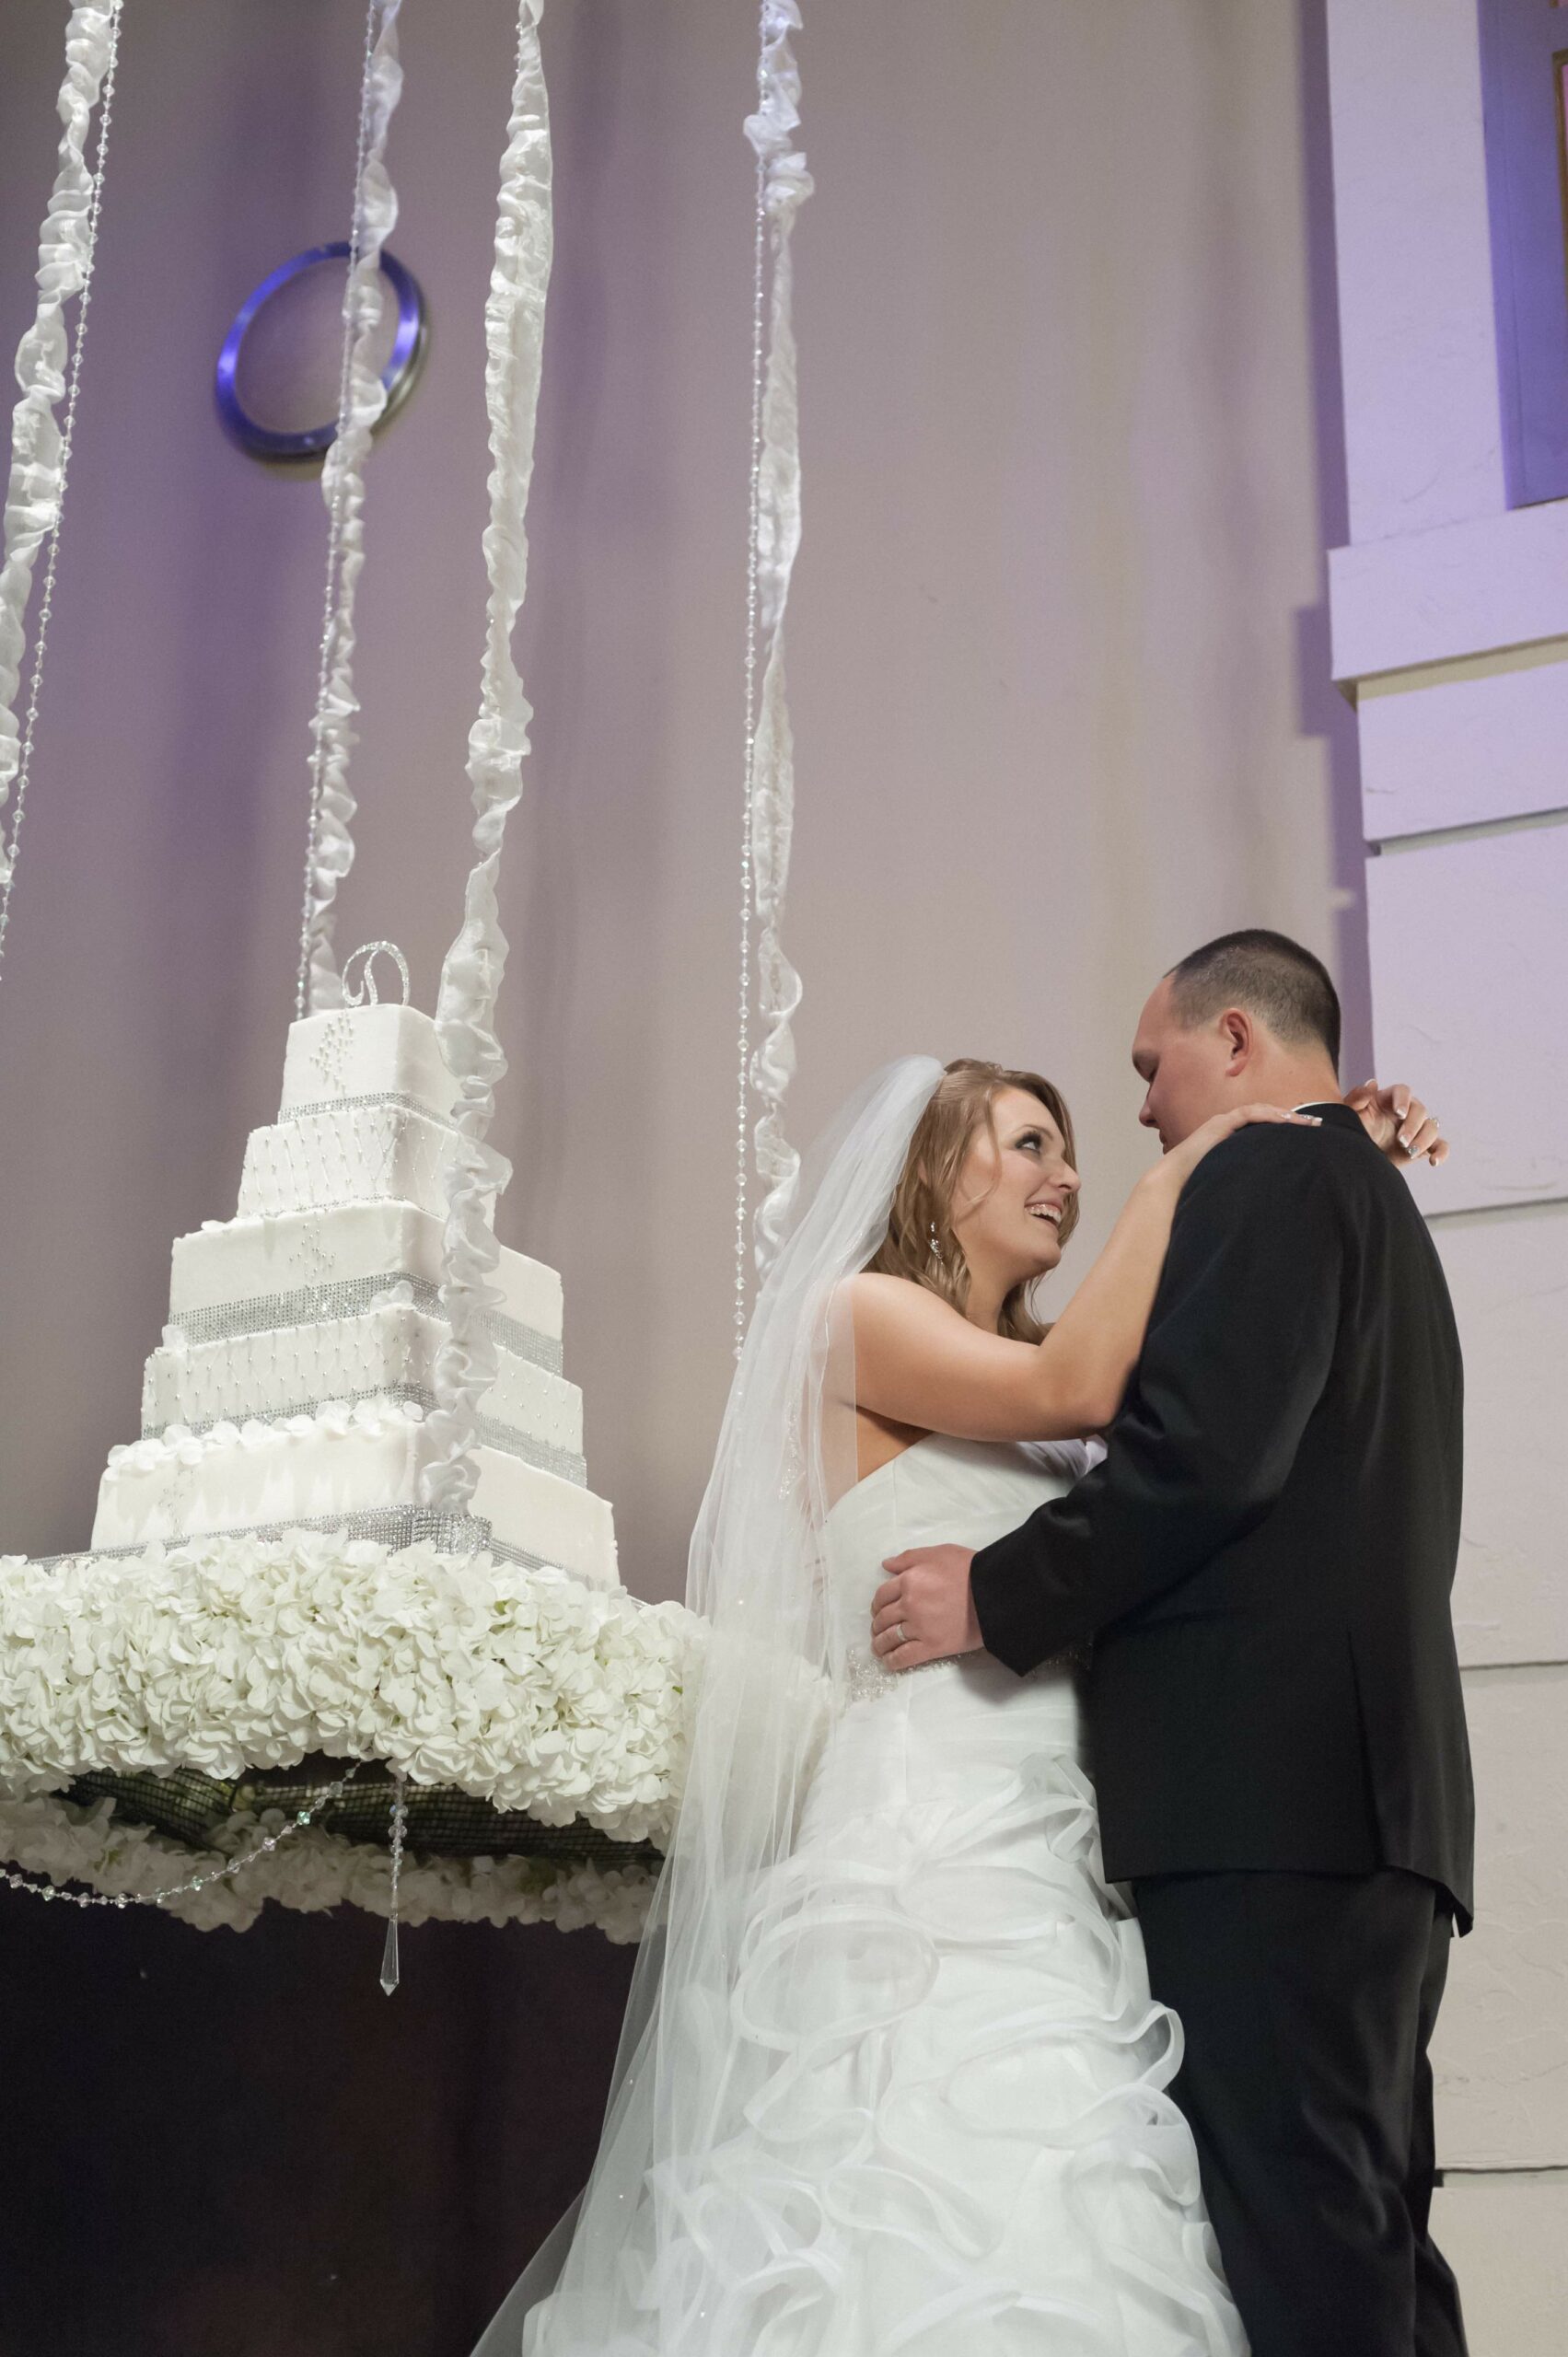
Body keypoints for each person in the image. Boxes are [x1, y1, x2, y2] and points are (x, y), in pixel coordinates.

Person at [474, 1005, 1438, 2357]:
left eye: (1084, 1153)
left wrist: (1339, 1170)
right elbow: (1078, 1379)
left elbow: (1198, 1412)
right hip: (931, 1845)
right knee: (911, 2194)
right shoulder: (853, 1317)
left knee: (1090, 2198)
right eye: (1031, 1143)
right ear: (937, 1170)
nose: (1072, 1174)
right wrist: (1192, 1167)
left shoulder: (1007, 1383)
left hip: (1062, 1847)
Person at [874, 930, 1471, 2357]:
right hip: (1377, 1815)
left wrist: (996, 1599)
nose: (1140, 1109)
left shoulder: (1275, 1171)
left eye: (1154, 1068)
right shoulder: (1363, 1194)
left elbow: (1201, 1460)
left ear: (1239, 1047)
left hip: (1272, 1813)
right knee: (1370, 2239)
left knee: (1310, 2258)